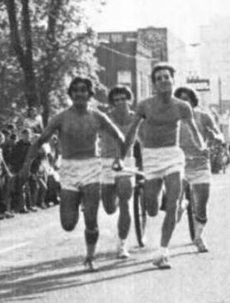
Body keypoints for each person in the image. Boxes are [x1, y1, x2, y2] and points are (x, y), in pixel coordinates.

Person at [19, 77, 127, 272]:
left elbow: (120, 137)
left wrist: (120, 159)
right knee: (68, 224)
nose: (79, 93)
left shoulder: (97, 116)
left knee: (91, 219)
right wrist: (27, 164)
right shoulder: (60, 117)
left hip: (91, 167)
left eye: (83, 90)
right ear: (70, 94)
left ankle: (90, 256)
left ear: (89, 94)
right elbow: (39, 140)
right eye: (75, 90)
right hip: (68, 168)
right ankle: (76, 201)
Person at [123, 64, 208, 269]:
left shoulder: (182, 106)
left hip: (173, 155)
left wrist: (201, 146)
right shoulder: (145, 106)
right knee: (151, 208)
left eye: (167, 77)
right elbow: (132, 132)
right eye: (159, 78)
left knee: (171, 205)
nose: (163, 81)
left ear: (172, 80)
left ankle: (162, 252)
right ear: (154, 83)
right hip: (151, 157)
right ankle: (160, 200)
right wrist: (122, 155)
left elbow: (194, 130)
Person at [174, 86, 222, 253]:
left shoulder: (203, 117)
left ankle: (199, 237)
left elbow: (218, 134)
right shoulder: (173, 119)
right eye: (180, 100)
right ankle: (181, 204)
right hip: (179, 164)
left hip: (200, 163)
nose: (183, 103)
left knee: (201, 205)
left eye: (186, 99)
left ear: (193, 101)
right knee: (173, 206)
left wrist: (215, 138)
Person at [98, 85, 140, 259]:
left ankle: (122, 244)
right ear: (112, 103)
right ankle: (111, 198)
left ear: (129, 99)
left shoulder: (136, 118)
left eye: (124, 98)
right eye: (116, 100)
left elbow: (144, 140)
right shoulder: (105, 119)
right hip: (107, 163)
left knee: (125, 201)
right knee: (109, 208)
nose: (121, 102)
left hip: (126, 162)